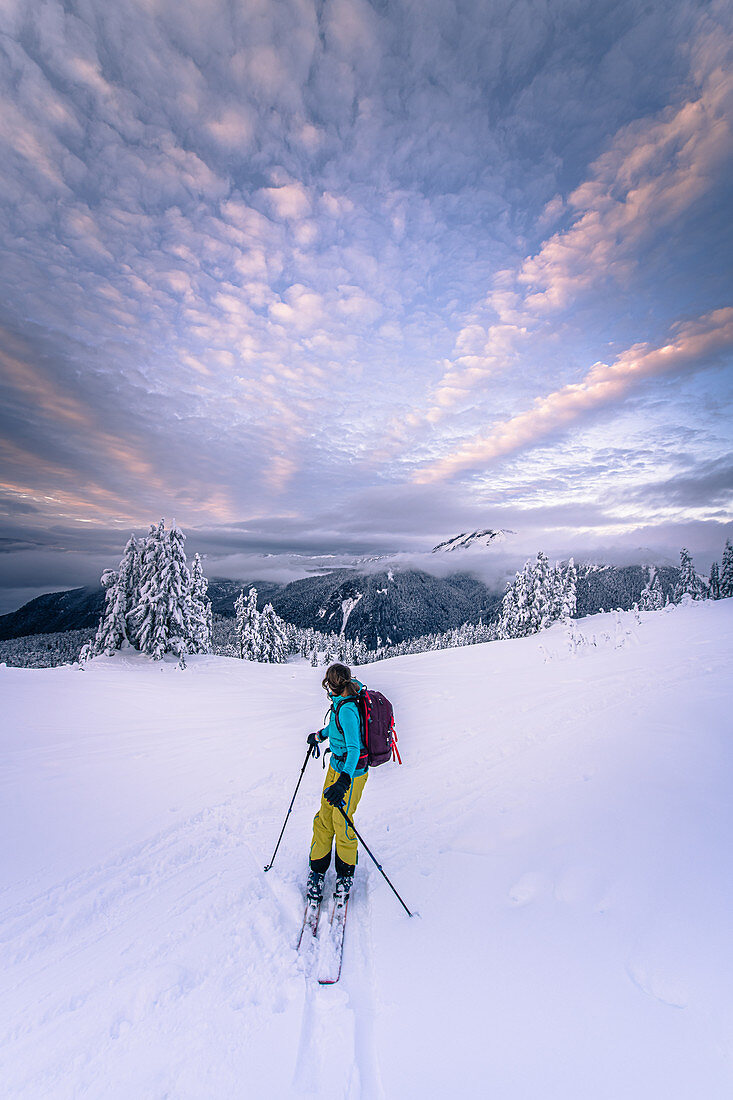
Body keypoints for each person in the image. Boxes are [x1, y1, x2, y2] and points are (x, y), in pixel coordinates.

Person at [305, 662, 368, 905]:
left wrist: (344, 781)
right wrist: (319, 736)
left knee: (341, 821)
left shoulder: (348, 710)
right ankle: (318, 867)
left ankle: (345, 874)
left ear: (331, 685)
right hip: (335, 768)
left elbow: (353, 748)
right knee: (324, 816)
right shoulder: (340, 703)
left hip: (351, 773)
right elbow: (335, 728)